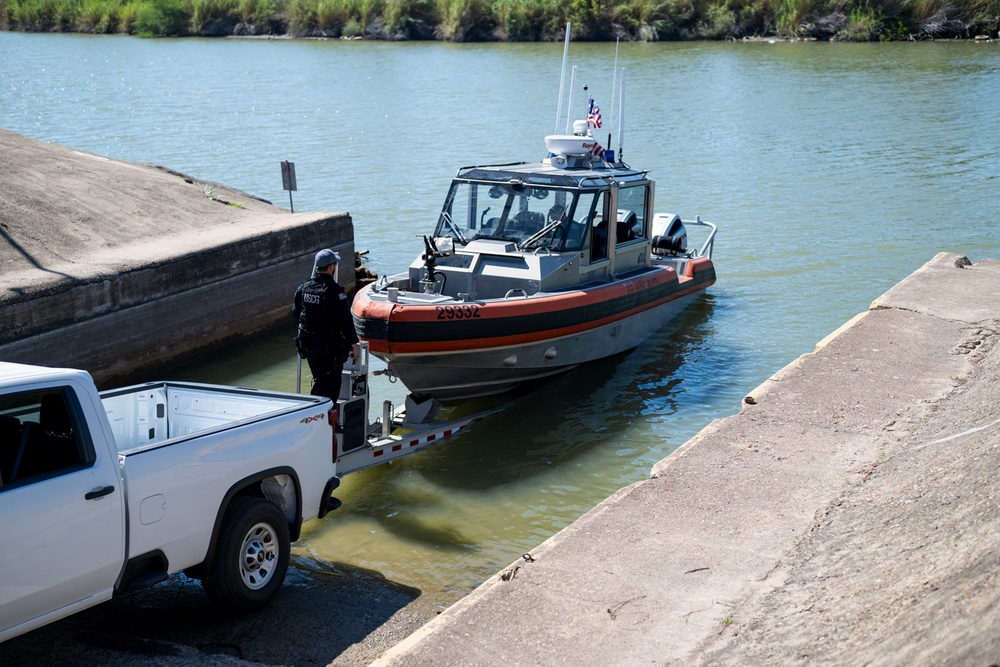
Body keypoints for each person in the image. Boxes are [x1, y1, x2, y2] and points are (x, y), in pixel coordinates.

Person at [292, 249, 361, 401]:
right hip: (329, 350)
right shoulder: (336, 292)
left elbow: (296, 314)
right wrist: (354, 345)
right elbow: (345, 321)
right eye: (334, 264)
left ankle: (316, 410)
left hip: (310, 347)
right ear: (330, 267)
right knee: (330, 389)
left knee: (319, 380)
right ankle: (325, 414)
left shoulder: (304, 288)